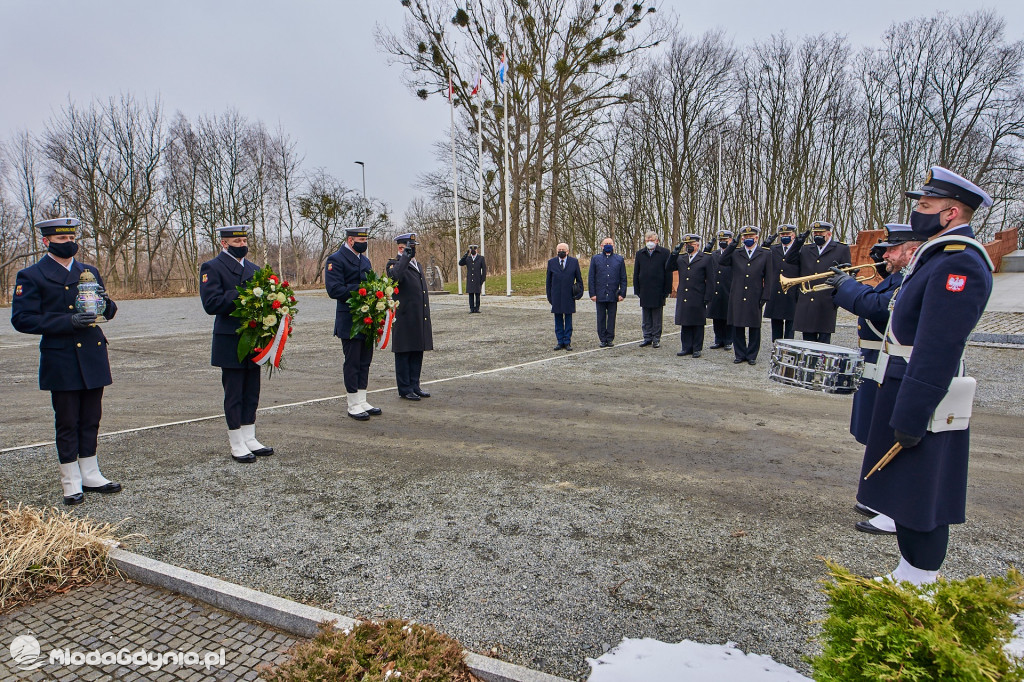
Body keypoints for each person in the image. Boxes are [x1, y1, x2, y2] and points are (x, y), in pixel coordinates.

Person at [857, 167, 994, 585]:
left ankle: (920, 581)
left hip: (923, 393)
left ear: (951, 213)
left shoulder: (961, 262)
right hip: (902, 383)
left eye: (925, 205)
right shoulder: (939, 255)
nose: (917, 211)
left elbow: (938, 346)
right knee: (903, 488)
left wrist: (914, 412)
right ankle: (907, 570)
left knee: (922, 495)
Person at [11, 217, 121, 504]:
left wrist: (106, 306)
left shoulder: (88, 270)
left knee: (91, 419)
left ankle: (91, 472)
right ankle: (71, 480)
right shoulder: (32, 275)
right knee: (68, 420)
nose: (68, 243)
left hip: (93, 353)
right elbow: (22, 319)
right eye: (61, 240)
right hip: (62, 356)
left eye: (71, 238)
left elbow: (106, 307)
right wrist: (67, 321)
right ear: (46, 242)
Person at [828, 224, 924, 536]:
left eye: (891, 250)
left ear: (910, 250)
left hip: (897, 364)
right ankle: (879, 497)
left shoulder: (916, 276)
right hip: (878, 363)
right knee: (875, 431)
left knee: (891, 435)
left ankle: (893, 508)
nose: (885, 255)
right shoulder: (901, 276)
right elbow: (876, 295)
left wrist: (846, 286)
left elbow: (879, 307)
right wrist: (852, 283)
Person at [200, 225, 275, 462]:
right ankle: (236, 441)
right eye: (237, 242)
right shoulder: (212, 267)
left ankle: (249, 435)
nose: (242, 245)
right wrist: (243, 293)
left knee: (252, 390)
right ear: (224, 243)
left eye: (244, 240)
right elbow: (211, 304)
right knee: (234, 393)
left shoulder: (254, 269)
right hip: (230, 339)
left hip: (254, 338)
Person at [326, 227, 382, 420]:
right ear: (350, 240)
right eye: (361, 238)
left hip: (367, 319)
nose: (364, 242)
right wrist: (362, 290)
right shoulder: (336, 259)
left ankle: (362, 398)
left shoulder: (364, 260)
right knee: (353, 362)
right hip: (349, 319)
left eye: (365, 238)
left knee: (365, 361)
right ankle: (352, 403)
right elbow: (334, 289)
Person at [387, 233, 433, 401]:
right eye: (409, 248)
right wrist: (404, 257)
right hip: (404, 317)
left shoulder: (417, 264)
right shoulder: (393, 264)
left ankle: (415, 385)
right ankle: (405, 388)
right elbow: (395, 277)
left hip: (418, 317)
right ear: (401, 248)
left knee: (416, 352)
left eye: (413, 248)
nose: (412, 251)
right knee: (404, 353)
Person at [790, 221, 851, 344]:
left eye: (820, 233)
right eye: (815, 233)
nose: (817, 235)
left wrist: (838, 298)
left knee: (824, 342)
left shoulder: (841, 249)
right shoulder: (806, 248)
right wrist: (797, 243)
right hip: (807, 300)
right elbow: (789, 260)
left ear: (828, 234)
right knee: (807, 341)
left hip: (827, 300)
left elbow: (845, 274)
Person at [720, 227, 771, 364]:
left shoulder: (765, 254)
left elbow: (769, 277)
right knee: (738, 325)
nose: (748, 238)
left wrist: (766, 295)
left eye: (751, 236)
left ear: (756, 238)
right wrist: (732, 245)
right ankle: (740, 354)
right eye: (745, 236)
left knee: (754, 326)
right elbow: (722, 261)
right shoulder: (736, 253)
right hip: (737, 293)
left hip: (755, 294)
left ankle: (752, 355)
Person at [665, 233, 713, 357]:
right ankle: (686, 347)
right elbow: (668, 267)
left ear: (697, 245)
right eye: (686, 245)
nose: (688, 247)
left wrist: (708, 297)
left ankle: (697, 348)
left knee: (697, 322)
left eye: (690, 244)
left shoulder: (705, 258)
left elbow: (711, 279)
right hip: (684, 295)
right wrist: (673, 254)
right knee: (685, 322)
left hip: (698, 294)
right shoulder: (681, 258)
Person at [763, 224, 806, 342]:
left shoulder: (800, 249)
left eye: (787, 234)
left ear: (793, 236)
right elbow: (762, 256)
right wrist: (765, 245)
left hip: (792, 289)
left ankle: (788, 344)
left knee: (790, 321)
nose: (785, 236)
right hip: (776, 289)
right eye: (782, 235)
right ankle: (776, 344)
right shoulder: (773, 249)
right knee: (775, 320)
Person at [632, 231, 672, 348]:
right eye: (647, 240)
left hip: (658, 290)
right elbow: (636, 273)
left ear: (657, 241)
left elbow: (668, 273)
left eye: (652, 240)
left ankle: (656, 338)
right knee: (646, 316)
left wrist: (667, 290)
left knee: (657, 316)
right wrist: (637, 289)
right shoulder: (640, 254)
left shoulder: (665, 253)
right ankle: (647, 337)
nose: (650, 242)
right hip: (644, 289)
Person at [588, 237, 627, 347]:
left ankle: (610, 338)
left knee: (611, 317)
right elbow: (591, 277)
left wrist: (622, 293)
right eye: (606, 243)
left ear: (613, 245)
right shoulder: (595, 259)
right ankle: (602, 339)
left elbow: (623, 278)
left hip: (613, 293)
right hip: (600, 294)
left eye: (610, 243)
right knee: (600, 317)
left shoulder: (619, 259)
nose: (608, 245)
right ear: (601, 246)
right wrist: (592, 293)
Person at [546, 243, 584, 351]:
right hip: (556, 295)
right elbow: (548, 281)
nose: (561, 251)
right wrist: (549, 296)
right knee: (558, 319)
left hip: (569, 295)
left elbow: (579, 279)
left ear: (567, 251)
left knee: (568, 319)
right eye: (559, 250)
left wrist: (579, 293)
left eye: (563, 250)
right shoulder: (551, 262)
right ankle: (560, 342)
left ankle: (567, 341)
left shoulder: (574, 262)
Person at [707, 230, 734, 351]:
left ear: (731, 240)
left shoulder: (735, 253)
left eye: (725, 240)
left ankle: (728, 340)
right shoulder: (714, 254)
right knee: (716, 316)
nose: (723, 242)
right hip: (716, 289)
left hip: (728, 288)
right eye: (721, 241)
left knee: (728, 316)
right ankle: (718, 339)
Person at [458, 244, 486, 313]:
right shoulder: (468, 258)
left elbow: (484, 269)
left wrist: (482, 279)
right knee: (470, 294)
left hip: (477, 279)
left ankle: (477, 308)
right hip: (470, 279)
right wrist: (466, 254)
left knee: (477, 294)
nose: (473, 251)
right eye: (472, 250)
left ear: (477, 250)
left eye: (474, 249)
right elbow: (460, 263)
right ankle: (471, 308)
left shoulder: (481, 258)